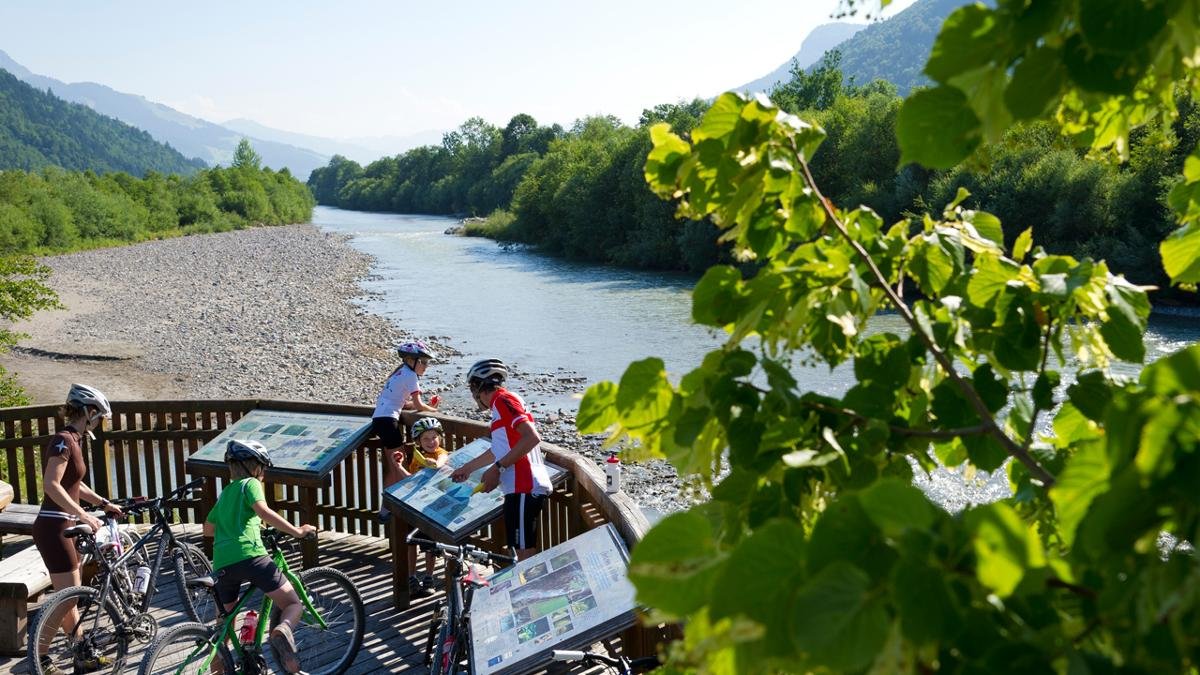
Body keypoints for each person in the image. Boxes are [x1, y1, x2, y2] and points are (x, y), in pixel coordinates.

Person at [32, 384, 124, 674]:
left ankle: (82, 653)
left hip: (62, 525)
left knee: (69, 595)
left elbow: (75, 484)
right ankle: (41, 657)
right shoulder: (63, 440)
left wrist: (103, 503)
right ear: (89, 411)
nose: (99, 422)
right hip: (54, 526)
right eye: (99, 416)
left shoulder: (75, 439)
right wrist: (85, 514)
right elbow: (52, 484)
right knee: (68, 597)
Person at [203, 439, 317, 674]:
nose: (264, 473)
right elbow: (263, 511)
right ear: (254, 467)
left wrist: (235, 526)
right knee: (293, 603)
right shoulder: (250, 484)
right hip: (251, 555)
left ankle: (217, 671)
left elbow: (208, 529)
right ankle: (282, 631)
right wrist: (297, 531)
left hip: (222, 562)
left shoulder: (225, 493)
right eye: (263, 467)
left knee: (223, 627)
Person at [450, 359, 551, 560]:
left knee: (525, 554)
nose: (474, 396)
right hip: (518, 488)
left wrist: (497, 469)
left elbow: (531, 438)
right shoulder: (500, 405)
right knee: (519, 549)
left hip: (525, 485)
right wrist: (467, 468)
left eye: (473, 390)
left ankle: (529, 590)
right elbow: (499, 450)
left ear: (478, 387)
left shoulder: (503, 400)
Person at [372, 341, 438, 521]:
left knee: (394, 466)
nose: (425, 366)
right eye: (423, 362)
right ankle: (390, 508)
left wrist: (427, 407)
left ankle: (386, 508)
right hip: (388, 422)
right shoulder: (411, 376)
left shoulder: (399, 372)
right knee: (397, 467)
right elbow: (417, 405)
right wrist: (434, 411)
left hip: (380, 419)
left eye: (427, 362)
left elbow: (401, 402)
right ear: (410, 360)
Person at [404, 417, 450, 598]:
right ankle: (411, 576)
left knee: (431, 544)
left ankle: (429, 576)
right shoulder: (416, 455)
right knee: (412, 541)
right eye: (426, 439)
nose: (431, 442)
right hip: (415, 503)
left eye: (434, 437)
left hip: (432, 505)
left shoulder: (440, 452)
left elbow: (442, 459)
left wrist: (435, 464)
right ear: (418, 441)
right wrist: (399, 466)